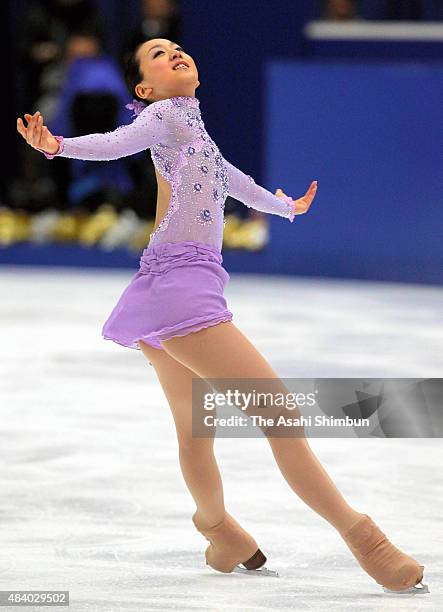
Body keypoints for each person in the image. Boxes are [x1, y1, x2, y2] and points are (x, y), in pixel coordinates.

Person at [16, 38, 428, 595]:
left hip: (167, 283)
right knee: (281, 417)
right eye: (158, 55)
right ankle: (367, 543)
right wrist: (58, 145)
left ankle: (220, 531)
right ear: (145, 89)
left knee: (194, 427)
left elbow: (236, 183)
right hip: (182, 292)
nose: (175, 53)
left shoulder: (196, 135)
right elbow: (116, 143)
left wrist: (284, 206)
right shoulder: (161, 118)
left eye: (178, 47)